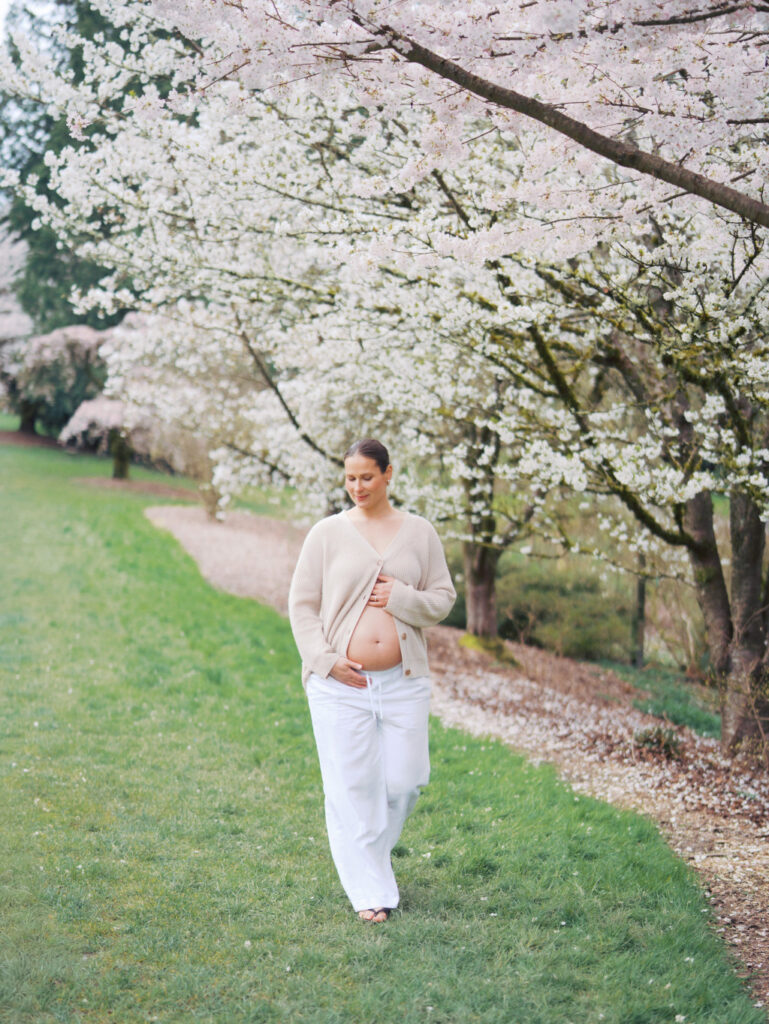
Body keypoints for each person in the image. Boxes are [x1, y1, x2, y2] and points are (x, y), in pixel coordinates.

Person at [288, 438, 456, 923]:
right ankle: (370, 891)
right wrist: (324, 659)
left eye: (366, 476)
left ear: (387, 474)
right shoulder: (327, 534)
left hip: (404, 681)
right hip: (341, 684)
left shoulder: (419, 533)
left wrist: (402, 597)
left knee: (406, 782)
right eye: (349, 478)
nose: (357, 486)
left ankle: (371, 859)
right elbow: (302, 605)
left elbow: (444, 598)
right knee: (351, 788)